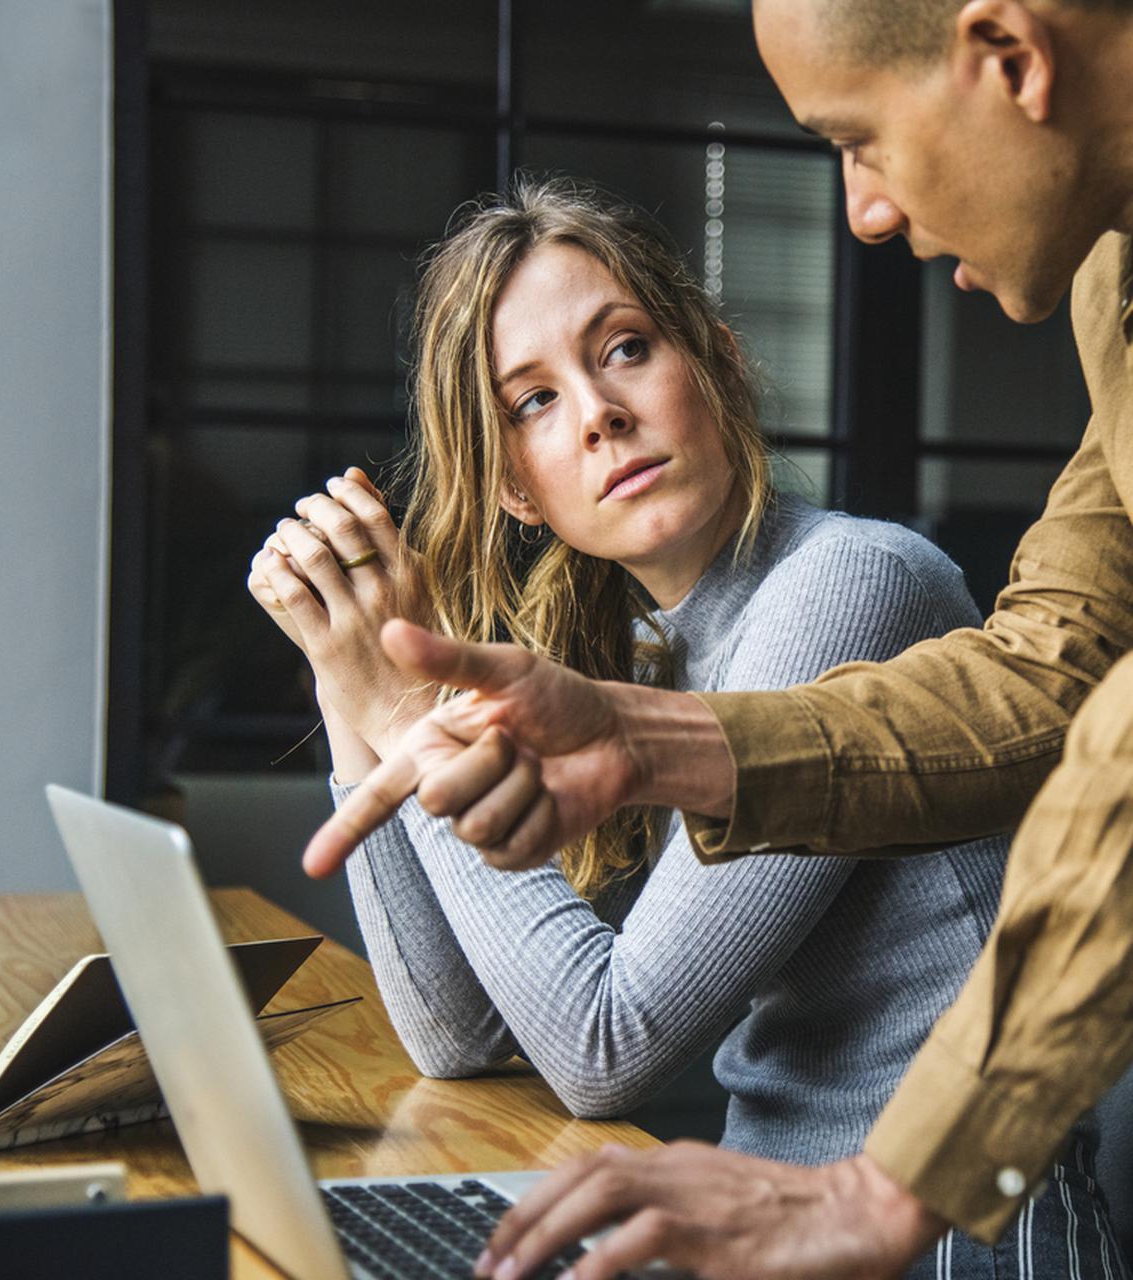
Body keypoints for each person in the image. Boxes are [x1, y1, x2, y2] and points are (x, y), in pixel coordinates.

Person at [300, 2, 1133, 1277]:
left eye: (856, 137)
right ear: (512, 485)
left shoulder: (844, 577)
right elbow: (1058, 665)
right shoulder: (1113, 296)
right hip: (827, 1219)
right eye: (532, 402)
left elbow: (599, 1044)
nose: (861, 210)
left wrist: (405, 719)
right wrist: (366, 691)